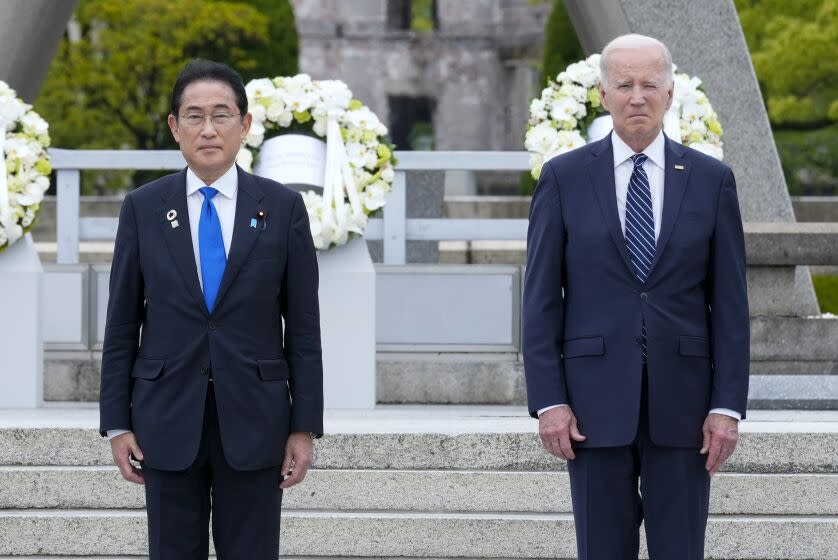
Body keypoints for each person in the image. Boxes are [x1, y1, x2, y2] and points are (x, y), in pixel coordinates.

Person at [522, 34, 749, 560]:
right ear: (603, 94)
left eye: (650, 84)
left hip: (688, 409)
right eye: (624, 84)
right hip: (590, 407)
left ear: (671, 95)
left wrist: (726, 405)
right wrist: (549, 401)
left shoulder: (712, 181)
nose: (638, 96)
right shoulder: (564, 178)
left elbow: (732, 306)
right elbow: (540, 301)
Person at [98, 59, 323, 560]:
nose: (208, 129)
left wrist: (303, 425)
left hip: (257, 420)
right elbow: (121, 324)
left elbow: (303, 330)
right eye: (194, 116)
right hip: (166, 418)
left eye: (221, 115)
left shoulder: (282, 208)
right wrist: (117, 423)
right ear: (175, 127)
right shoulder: (143, 207)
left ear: (245, 125)